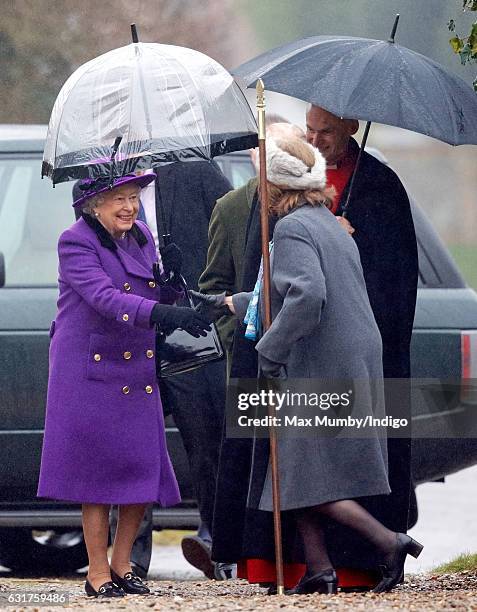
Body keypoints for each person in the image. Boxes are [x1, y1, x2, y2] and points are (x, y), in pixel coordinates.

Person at [199, 106, 418, 590]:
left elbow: (308, 296)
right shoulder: (323, 218)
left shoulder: (295, 226)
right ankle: (318, 568)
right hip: (346, 358)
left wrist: (269, 351)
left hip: (321, 363)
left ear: (277, 186)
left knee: (303, 475)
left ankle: (388, 541)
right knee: (294, 469)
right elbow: (289, 288)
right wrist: (238, 302)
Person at [37, 174, 211, 598]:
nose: (129, 207)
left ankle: (122, 563)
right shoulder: (75, 241)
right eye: (119, 199)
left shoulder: (142, 235)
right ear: (94, 204)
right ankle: (97, 573)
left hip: (135, 362)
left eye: (133, 197)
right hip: (89, 367)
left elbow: (156, 294)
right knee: (97, 475)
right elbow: (105, 299)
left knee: (141, 465)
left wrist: (172, 280)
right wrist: (164, 316)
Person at [141, 161, 233, 579]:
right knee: (132, 441)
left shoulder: (199, 173)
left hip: (194, 330)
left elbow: (237, 235)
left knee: (206, 439)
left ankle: (216, 541)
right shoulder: (97, 183)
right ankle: (130, 556)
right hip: (133, 332)